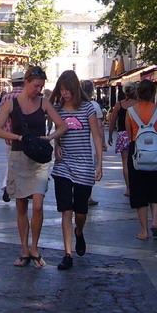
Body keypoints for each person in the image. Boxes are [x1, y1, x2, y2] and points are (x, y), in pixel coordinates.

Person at [0, 65, 67, 268]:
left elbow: (62, 125)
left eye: (41, 86)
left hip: (39, 159)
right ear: (26, 83)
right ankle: (25, 249)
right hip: (18, 156)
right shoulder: (10, 104)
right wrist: (18, 137)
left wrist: (49, 137)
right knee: (21, 205)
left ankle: (35, 247)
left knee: (39, 204)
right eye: (35, 86)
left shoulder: (43, 103)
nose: (38, 90)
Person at [50, 72, 104, 270]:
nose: (64, 93)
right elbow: (57, 130)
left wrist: (99, 163)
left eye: (67, 89)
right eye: (61, 89)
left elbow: (97, 137)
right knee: (66, 208)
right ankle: (67, 253)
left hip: (84, 165)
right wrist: (56, 144)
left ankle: (79, 232)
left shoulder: (87, 108)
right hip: (63, 165)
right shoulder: (58, 109)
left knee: (80, 211)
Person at [126, 79, 157, 240]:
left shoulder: (131, 111)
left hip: (138, 153)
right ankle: (154, 221)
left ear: (138, 93)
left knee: (139, 191)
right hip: (156, 152)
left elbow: (130, 136)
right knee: (156, 188)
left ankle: (144, 230)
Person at [0, 70, 27, 202]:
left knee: (11, 162)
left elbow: (1, 118)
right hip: (24, 136)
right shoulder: (26, 96)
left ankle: (8, 186)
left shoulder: (6, 97)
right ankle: (11, 186)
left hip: (9, 135)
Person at [107, 83, 137, 197]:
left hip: (123, 135)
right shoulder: (138, 105)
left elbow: (112, 122)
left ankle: (128, 188)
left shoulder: (119, 105)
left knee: (125, 162)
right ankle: (136, 186)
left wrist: (110, 135)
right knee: (136, 162)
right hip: (135, 135)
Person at [80, 79, 106, 207]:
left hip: (80, 139)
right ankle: (88, 195)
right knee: (91, 167)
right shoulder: (94, 105)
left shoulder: (77, 103)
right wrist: (103, 141)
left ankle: (80, 193)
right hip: (92, 139)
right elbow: (100, 126)